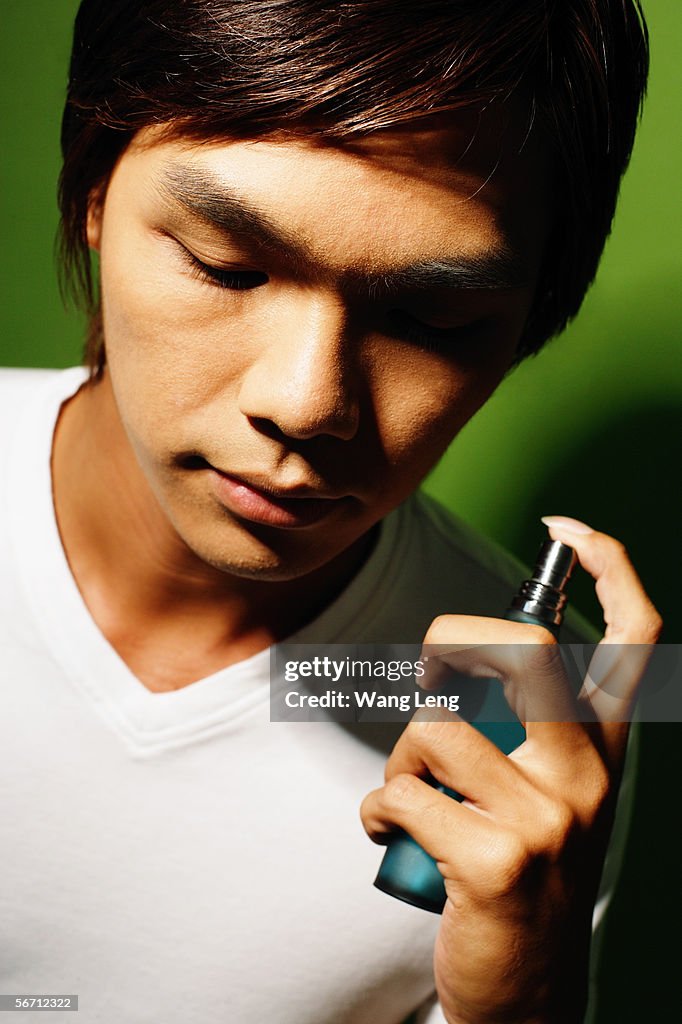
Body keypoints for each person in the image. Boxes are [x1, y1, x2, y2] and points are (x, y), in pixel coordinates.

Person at [0, 2, 661, 1022]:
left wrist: (528, 992)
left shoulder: (546, 713)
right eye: (226, 263)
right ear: (93, 194)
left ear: (526, 325)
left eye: (429, 321)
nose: (308, 402)